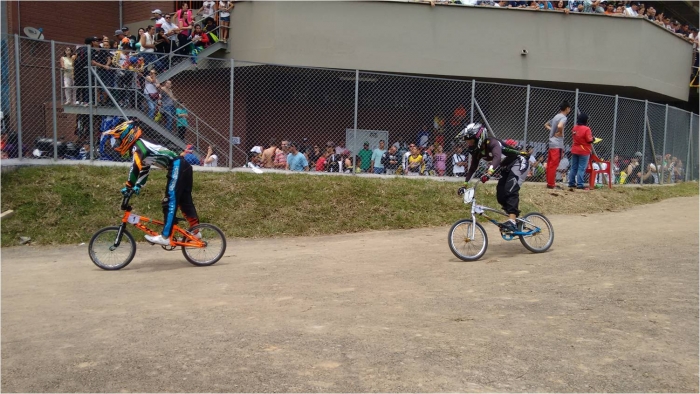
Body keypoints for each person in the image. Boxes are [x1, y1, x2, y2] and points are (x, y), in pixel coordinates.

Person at [104, 120, 200, 246]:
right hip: (183, 166)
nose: (118, 143)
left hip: (177, 165)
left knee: (170, 201)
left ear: (127, 136)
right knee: (184, 201)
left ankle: (165, 236)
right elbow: (145, 168)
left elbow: (135, 167)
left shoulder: (137, 147)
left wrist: (129, 186)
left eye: (119, 140)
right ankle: (196, 231)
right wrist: (138, 185)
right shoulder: (142, 147)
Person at [457, 123, 529, 233]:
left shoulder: (492, 143)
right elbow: (472, 169)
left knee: (510, 189)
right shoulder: (477, 151)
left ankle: (512, 221)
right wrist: (464, 185)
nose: (468, 143)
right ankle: (515, 218)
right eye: (467, 141)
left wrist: (488, 173)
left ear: (479, 137)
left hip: (518, 162)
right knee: (500, 195)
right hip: (506, 167)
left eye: (470, 140)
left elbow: (497, 157)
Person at [544, 100, 571, 189]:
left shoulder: (556, 116)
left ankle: (549, 183)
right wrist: (560, 133)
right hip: (557, 144)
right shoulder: (563, 117)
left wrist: (553, 131)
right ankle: (551, 184)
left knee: (550, 164)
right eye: (569, 108)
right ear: (567, 108)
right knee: (554, 165)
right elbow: (560, 126)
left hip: (551, 143)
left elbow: (546, 124)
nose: (569, 110)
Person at [568, 113, 595, 190]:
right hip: (584, 150)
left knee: (573, 167)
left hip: (575, 149)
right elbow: (589, 140)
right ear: (585, 120)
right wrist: (593, 139)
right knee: (581, 168)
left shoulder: (574, 128)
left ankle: (571, 183)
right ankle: (580, 184)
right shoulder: (587, 129)